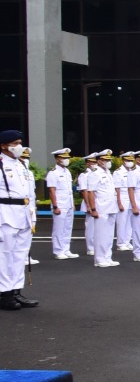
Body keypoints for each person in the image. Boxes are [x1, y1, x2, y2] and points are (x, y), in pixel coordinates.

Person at [0, 130, 38, 310]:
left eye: (20, 143)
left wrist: (33, 217)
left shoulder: (22, 165)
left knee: (20, 254)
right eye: (15, 143)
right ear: (4, 145)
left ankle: (16, 290)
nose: (19, 147)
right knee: (4, 255)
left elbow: (30, 194)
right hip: (5, 213)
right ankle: (4, 293)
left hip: (24, 213)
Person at [89, 151, 119, 268]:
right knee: (100, 234)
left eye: (109, 160)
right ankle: (99, 258)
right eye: (106, 160)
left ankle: (107, 256)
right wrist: (93, 209)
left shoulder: (108, 173)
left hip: (111, 206)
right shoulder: (95, 173)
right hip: (101, 207)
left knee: (109, 234)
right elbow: (91, 192)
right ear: (99, 161)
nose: (109, 162)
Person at [47, 148, 77, 260]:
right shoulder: (53, 173)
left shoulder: (67, 172)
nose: (66, 160)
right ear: (58, 159)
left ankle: (66, 249)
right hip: (59, 204)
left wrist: (72, 203)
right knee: (59, 229)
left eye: (67, 158)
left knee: (67, 227)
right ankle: (58, 250)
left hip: (68, 203)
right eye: (64, 158)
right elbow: (52, 191)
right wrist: (55, 206)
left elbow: (69, 190)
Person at [78, 153, 98, 258]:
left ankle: (97, 246)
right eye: (92, 162)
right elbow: (84, 191)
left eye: (95, 162)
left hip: (97, 203)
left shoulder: (96, 174)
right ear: (87, 163)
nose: (94, 164)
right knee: (90, 227)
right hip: (89, 203)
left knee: (98, 227)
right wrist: (88, 205)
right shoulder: (84, 175)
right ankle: (90, 247)